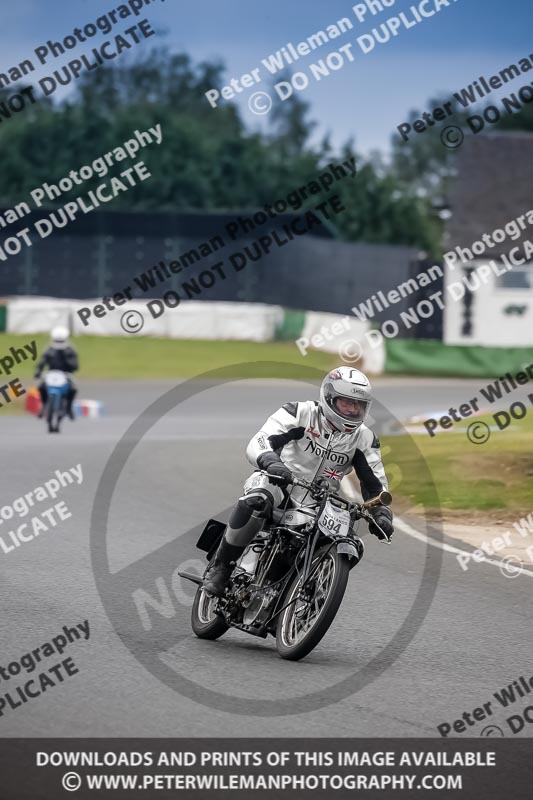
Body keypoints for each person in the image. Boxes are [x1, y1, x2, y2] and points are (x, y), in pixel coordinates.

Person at [203, 366, 394, 596]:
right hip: (279, 483)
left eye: (358, 405)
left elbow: (375, 483)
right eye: (347, 403)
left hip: (319, 504)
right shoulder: (299, 412)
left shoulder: (365, 438)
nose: (353, 410)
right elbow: (261, 440)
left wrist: (381, 513)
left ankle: (305, 591)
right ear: (329, 397)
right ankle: (221, 567)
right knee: (256, 500)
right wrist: (271, 462)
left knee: (352, 543)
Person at [34, 326, 79, 420]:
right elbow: (42, 362)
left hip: (66, 374)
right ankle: (44, 406)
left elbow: (75, 366)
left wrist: (67, 359)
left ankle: (69, 408)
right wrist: (38, 371)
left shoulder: (70, 350)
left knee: (73, 389)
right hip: (51, 374)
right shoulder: (49, 349)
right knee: (41, 387)